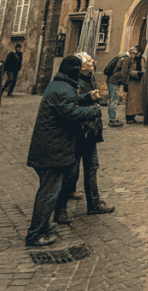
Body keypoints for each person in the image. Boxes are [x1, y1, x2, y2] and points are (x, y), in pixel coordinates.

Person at [25, 55, 101, 246]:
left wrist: (86, 97)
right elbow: (71, 112)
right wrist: (94, 110)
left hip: (50, 148)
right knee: (48, 193)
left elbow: (70, 102)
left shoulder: (60, 85)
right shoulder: (63, 89)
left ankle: (43, 227)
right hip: (52, 150)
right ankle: (35, 233)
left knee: (50, 191)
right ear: (75, 70)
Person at [58, 53, 115, 220]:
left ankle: (94, 202)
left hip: (90, 131)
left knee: (91, 167)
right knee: (71, 170)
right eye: (89, 60)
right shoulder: (74, 83)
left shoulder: (90, 78)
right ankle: (61, 208)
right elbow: (73, 106)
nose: (92, 62)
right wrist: (92, 107)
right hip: (79, 131)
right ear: (81, 66)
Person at [105, 50, 132, 127]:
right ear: (133, 53)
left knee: (112, 100)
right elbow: (124, 73)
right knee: (114, 100)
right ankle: (112, 120)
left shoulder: (121, 56)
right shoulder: (126, 59)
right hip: (114, 81)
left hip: (111, 80)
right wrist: (125, 84)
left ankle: (112, 118)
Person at [125, 47, 144, 124]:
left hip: (139, 82)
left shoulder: (142, 59)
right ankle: (129, 117)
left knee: (137, 101)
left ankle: (135, 115)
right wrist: (137, 73)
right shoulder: (130, 60)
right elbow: (128, 71)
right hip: (132, 82)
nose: (137, 55)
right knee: (131, 101)